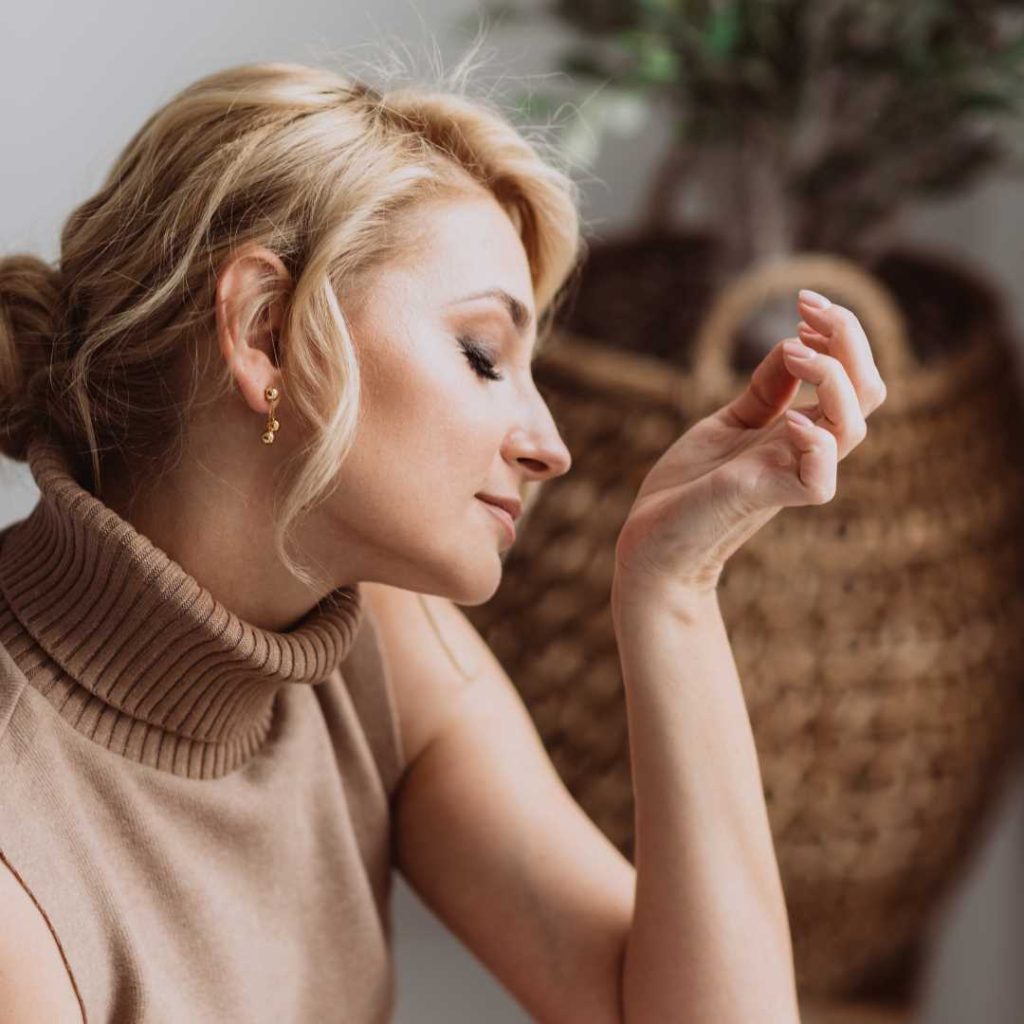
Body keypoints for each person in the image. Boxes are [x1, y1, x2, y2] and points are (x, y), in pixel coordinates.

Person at [0, 57, 886, 1024]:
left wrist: (675, 589)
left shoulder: (381, 646)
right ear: (265, 333)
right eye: (482, 355)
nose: (550, 447)